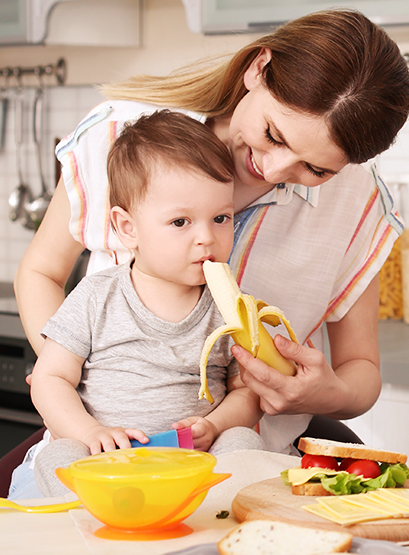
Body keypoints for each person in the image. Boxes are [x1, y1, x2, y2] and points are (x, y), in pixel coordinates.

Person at [15, 9, 409, 454]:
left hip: (243, 466)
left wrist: (327, 394)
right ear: (257, 69)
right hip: (103, 456)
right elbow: (41, 272)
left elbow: (361, 368)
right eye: (274, 134)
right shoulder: (120, 136)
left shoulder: (357, 201)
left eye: (316, 168)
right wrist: (63, 365)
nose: (274, 169)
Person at [10, 111, 266, 499]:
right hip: (103, 462)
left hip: (191, 464)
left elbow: (245, 393)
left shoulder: (229, 307)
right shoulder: (97, 296)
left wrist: (214, 426)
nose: (206, 238)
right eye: (181, 222)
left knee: (244, 441)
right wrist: (89, 433)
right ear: (127, 228)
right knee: (59, 455)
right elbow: (50, 380)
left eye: (220, 218)